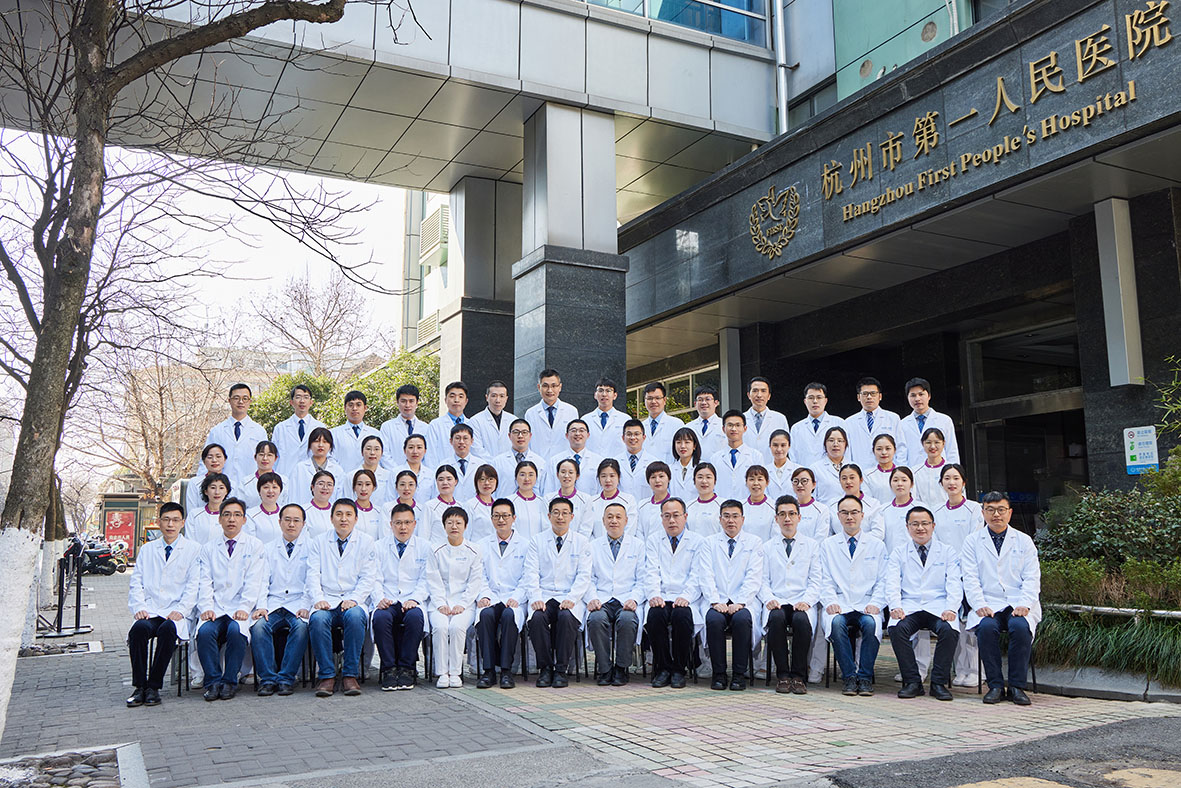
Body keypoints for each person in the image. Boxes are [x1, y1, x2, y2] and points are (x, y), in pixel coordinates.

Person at [962, 492, 1041, 705]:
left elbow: (1032, 577)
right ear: (983, 513)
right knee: (986, 629)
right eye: (990, 510)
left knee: (1020, 628)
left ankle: (1016, 687)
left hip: (1018, 602)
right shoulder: (972, 541)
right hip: (988, 602)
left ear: (1010, 512)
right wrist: (979, 604)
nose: (996, 514)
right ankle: (995, 686)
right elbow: (970, 577)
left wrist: (1025, 604)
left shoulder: (1024, 541)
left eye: (1001, 510)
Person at [126, 502, 200, 708]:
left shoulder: (193, 550)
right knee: (138, 629)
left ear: (182, 523)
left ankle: (153, 687)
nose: (170, 524)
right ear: (159, 522)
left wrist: (182, 610)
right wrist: (139, 607)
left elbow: (194, 585)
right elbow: (136, 582)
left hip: (176, 610)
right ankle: (139, 686)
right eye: (166, 520)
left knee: (168, 630)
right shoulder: (148, 549)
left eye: (175, 520)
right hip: (151, 609)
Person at [886, 505, 961, 701]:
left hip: (939, 605)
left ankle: (938, 683)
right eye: (915, 524)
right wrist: (895, 606)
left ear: (933, 526)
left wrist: (951, 608)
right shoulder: (898, 552)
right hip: (909, 605)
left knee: (949, 630)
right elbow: (892, 582)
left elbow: (954, 582)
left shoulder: (947, 551)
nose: (920, 528)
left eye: (925, 523)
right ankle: (912, 682)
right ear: (907, 527)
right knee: (897, 629)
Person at [195, 498, 266, 701]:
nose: (231, 519)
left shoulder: (254, 545)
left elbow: (254, 580)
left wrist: (245, 607)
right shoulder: (208, 548)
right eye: (226, 515)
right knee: (205, 632)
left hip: (240, 607)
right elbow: (204, 581)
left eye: (236, 515)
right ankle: (212, 682)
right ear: (219, 519)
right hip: (215, 607)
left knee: (236, 631)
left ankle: (229, 682)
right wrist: (207, 607)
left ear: (244, 520)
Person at [306, 499, 378, 697]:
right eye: (338, 514)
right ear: (331, 518)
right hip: (326, 598)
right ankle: (327, 675)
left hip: (353, 598)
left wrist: (354, 599)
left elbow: (368, 576)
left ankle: (350, 674)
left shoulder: (366, 542)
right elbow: (312, 574)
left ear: (356, 518)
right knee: (318, 619)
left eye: (348, 515)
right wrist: (318, 598)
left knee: (354, 617)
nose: (343, 519)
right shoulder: (319, 542)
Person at [818, 495, 888, 696]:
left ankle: (864, 677)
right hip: (840, 602)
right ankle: (849, 676)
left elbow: (883, 580)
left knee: (871, 624)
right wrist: (830, 601)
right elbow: (824, 578)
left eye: (854, 512)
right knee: (836, 623)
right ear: (838, 516)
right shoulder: (828, 545)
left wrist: (876, 603)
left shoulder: (876, 545)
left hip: (867, 602)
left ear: (862, 515)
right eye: (845, 513)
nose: (850, 517)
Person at [644, 498, 713, 689]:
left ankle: (679, 670)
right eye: (667, 516)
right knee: (655, 615)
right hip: (662, 594)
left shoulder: (698, 541)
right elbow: (650, 571)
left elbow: (698, 574)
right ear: (661, 518)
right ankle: (663, 668)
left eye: (676, 515)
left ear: (685, 516)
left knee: (682, 616)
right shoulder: (653, 540)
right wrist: (654, 595)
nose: (672, 520)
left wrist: (687, 596)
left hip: (686, 597)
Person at [524, 497, 593, 688]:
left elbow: (584, 575)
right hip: (544, 594)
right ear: (549, 516)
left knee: (566, 617)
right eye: (556, 512)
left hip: (569, 595)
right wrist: (536, 597)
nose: (560, 517)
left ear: (572, 516)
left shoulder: (582, 542)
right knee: (537, 618)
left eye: (564, 513)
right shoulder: (537, 541)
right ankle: (546, 669)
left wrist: (572, 598)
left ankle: (561, 670)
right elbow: (531, 572)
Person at [249, 503, 311, 697]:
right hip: (273, 603)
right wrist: (261, 606)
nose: (291, 524)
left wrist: (305, 605)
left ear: (303, 524)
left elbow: (312, 580)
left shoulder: (312, 547)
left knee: (300, 627)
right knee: (259, 627)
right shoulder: (267, 548)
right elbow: (261, 580)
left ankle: (286, 678)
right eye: (287, 520)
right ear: (279, 522)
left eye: (296, 520)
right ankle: (267, 679)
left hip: (298, 603)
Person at [760, 495, 820, 694]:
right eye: (782, 514)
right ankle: (783, 676)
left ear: (799, 517)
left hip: (801, 599)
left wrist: (807, 601)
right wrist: (769, 599)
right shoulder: (767, 547)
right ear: (776, 519)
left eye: (792, 514)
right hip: (777, 599)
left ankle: (799, 676)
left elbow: (816, 580)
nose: (787, 518)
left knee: (802, 621)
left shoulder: (811, 545)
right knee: (776, 619)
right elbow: (762, 580)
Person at [933, 463, 986, 687]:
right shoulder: (936, 512)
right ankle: (960, 669)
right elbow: (936, 544)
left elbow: (974, 541)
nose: (951, 482)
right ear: (941, 483)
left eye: (956, 478)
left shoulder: (975, 509)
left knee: (971, 623)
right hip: (947, 575)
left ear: (963, 482)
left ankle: (976, 670)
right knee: (954, 621)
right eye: (947, 478)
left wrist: (960, 566)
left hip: (970, 572)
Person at [703, 500, 764, 691]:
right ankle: (719, 674)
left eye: (735, 516)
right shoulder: (709, 543)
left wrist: (741, 602)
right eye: (727, 516)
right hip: (718, 600)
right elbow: (705, 574)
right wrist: (715, 601)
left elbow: (754, 576)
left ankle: (739, 674)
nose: (731, 520)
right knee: (714, 620)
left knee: (742, 620)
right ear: (720, 519)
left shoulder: (754, 542)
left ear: (743, 519)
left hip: (744, 601)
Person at [585, 503, 646, 686]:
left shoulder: (638, 545)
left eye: (618, 517)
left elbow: (643, 578)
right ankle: (605, 669)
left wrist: (634, 599)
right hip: (602, 598)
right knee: (595, 620)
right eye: (610, 517)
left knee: (627, 620)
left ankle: (621, 668)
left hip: (627, 597)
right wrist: (592, 598)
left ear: (626, 521)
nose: (614, 521)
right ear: (603, 521)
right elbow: (588, 577)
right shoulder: (593, 546)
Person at [427, 506, 486, 688]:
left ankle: (455, 672)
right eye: (450, 523)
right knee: (440, 627)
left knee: (457, 627)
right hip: (439, 603)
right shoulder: (435, 550)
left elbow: (475, 581)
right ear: (444, 525)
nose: (454, 526)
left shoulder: (474, 550)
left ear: (465, 526)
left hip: (464, 604)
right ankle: (442, 673)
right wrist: (440, 603)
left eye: (458, 523)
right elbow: (433, 579)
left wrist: (463, 603)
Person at [372, 503, 429, 691]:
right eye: (398, 523)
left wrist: (415, 599)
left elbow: (426, 579)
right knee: (380, 618)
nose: (403, 527)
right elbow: (374, 577)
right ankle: (389, 669)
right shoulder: (378, 547)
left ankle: (407, 668)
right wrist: (380, 598)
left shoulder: (424, 547)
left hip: (412, 598)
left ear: (414, 524)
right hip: (387, 599)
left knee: (415, 617)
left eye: (407, 522)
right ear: (391, 524)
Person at [475, 499, 529, 689]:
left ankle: (506, 671)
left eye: (505, 515)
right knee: (485, 615)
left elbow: (528, 576)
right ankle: (489, 671)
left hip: (514, 597)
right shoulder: (481, 545)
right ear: (491, 519)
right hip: (491, 596)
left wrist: (517, 597)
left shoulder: (525, 545)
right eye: (497, 516)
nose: (501, 520)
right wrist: (484, 595)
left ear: (514, 518)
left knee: (508, 616)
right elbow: (478, 575)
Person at [201, 384, 268, 484]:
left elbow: (266, 462)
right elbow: (205, 460)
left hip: (251, 486)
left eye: (245, 398)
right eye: (236, 398)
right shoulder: (217, 431)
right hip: (221, 486)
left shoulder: (259, 431)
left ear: (250, 401)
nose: (241, 402)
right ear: (229, 400)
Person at [898, 377, 961, 467]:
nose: (917, 399)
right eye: (913, 395)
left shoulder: (944, 420)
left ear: (929, 396)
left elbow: (952, 451)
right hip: (913, 471)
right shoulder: (902, 424)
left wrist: (953, 472)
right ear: (907, 398)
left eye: (921, 394)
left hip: (940, 471)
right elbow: (901, 454)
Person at [844, 377, 902, 468]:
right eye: (865, 394)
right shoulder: (849, 422)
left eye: (873, 393)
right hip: (860, 471)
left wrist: (898, 469)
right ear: (858, 397)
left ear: (880, 396)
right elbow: (847, 452)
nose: (869, 397)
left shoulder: (893, 418)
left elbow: (901, 447)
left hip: (888, 471)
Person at [272, 384, 326, 477]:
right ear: (291, 402)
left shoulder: (320, 427)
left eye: (306, 397)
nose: (302, 401)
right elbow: (273, 457)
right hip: (285, 477)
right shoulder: (280, 428)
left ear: (311, 402)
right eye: (298, 397)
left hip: (312, 477)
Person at [525, 369, 579, 461]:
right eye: (545, 386)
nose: (550, 390)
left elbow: (576, 440)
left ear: (560, 387)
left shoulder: (571, 411)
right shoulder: (530, 413)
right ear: (539, 387)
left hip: (565, 463)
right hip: (538, 463)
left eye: (554, 386)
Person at [544, 419, 604, 497]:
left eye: (581, 430)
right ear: (567, 435)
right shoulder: (555, 460)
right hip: (561, 503)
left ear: (588, 435)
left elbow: (601, 489)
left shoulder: (598, 461)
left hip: (589, 502)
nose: (577, 434)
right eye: (573, 430)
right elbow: (549, 488)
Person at [709, 410, 761, 500]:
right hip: (722, 505)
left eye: (738, 425)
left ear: (745, 428)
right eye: (730, 425)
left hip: (748, 504)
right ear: (723, 429)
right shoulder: (715, 458)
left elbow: (761, 485)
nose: (734, 429)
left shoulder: (755, 456)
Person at [790, 383, 844, 467]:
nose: (815, 401)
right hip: (804, 472)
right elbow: (793, 456)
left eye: (819, 397)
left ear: (825, 401)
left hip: (831, 472)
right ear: (805, 401)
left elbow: (846, 452)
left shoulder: (839, 423)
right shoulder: (796, 428)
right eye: (811, 398)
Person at [289, 427, 346, 507]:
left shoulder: (337, 470)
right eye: (316, 441)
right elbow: (292, 495)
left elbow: (339, 497)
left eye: (325, 442)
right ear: (310, 445)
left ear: (330, 446)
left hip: (329, 512)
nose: (320, 445)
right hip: (303, 512)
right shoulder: (300, 468)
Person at [492, 419, 549, 498]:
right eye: (516, 432)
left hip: (532, 504)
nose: (520, 436)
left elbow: (543, 490)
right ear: (509, 435)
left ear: (530, 435)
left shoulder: (540, 462)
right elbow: (492, 491)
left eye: (524, 432)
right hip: (504, 503)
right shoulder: (497, 462)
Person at [330, 390, 381, 472]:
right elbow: (330, 459)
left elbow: (381, 459)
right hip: (341, 477)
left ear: (365, 408)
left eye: (358, 405)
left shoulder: (376, 433)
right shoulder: (333, 433)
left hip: (368, 478)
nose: (354, 408)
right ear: (345, 408)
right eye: (350, 405)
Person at [379, 384, 428, 469]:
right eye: (403, 401)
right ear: (397, 402)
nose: (407, 405)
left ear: (417, 403)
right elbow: (384, 454)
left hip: (420, 474)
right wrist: (399, 472)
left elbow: (428, 456)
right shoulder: (387, 427)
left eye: (411, 401)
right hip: (394, 473)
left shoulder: (426, 428)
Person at [743, 377, 790, 465]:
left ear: (769, 396)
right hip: (746, 467)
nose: (759, 395)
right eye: (755, 391)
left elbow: (786, 447)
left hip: (772, 467)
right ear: (749, 395)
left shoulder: (780, 419)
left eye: (763, 391)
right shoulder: (741, 420)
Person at [582, 377, 630, 459]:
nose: (604, 394)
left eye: (608, 391)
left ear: (615, 395)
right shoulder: (585, 420)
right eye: (600, 390)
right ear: (595, 395)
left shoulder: (625, 419)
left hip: (617, 463)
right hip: (591, 463)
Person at [829, 464, 882, 537]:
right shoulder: (832, 504)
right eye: (844, 478)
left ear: (861, 480)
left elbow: (878, 533)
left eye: (852, 478)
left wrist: (855, 540)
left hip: (867, 544)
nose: (848, 481)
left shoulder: (873, 504)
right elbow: (828, 533)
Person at [426, 381, 471, 467]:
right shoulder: (435, 425)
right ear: (445, 400)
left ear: (466, 401)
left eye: (460, 396)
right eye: (452, 396)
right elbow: (430, 456)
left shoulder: (472, 424)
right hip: (443, 472)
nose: (456, 400)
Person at [588, 458, 637, 538]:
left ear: (619, 477)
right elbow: (588, 530)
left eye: (612, 476)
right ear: (598, 478)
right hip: (596, 545)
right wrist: (597, 544)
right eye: (603, 476)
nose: (608, 480)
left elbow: (630, 529)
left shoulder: (628, 500)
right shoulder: (591, 501)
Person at [469, 379, 516, 460]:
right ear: (487, 397)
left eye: (502, 396)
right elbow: (476, 450)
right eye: (494, 396)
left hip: (509, 465)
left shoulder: (513, 420)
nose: (498, 400)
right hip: (485, 466)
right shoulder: (475, 421)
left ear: (506, 399)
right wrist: (495, 464)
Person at [238, 441, 289, 511]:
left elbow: (286, 505)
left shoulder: (284, 481)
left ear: (275, 458)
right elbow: (240, 507)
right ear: (255, 457)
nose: (265, 458)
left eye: (269, 455)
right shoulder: (245, 482)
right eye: (261, 454)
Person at [616, 419, 661, 499]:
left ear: (644, 437)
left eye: (636, 434)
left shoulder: (654, 462)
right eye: (629, 434)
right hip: (621, 506)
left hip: (646, 505)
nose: (633, 438)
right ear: (623, 438)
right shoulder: (616, 462)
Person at [553, 458, 595, 539]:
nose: (566, 476)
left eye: (571, 472)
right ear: (557, 475)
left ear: (577, 476)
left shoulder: (586, 499)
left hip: (579, 544)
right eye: (563, 472)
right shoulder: (548, 499)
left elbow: (586, 528)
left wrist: (574, 543)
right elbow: (547, 526)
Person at [388, 434, 435, 505]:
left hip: (424, 511)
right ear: (404, 450)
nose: (415, 451)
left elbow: (433, 499)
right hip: (400, 511)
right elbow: (390, 498)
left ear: (425, 451)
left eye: (419, 447)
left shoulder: (431, 474)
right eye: (411, 447)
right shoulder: (395, 472)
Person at [446, 423, 489, 501]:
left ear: (472, 441)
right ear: (451, 441)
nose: (461, 442)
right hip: (451, 506)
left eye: (465, 438)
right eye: (457, 438)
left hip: (476, 506)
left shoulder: (481, 464)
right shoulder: (444, 465)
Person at [810, 426, 852, 506]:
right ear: (825, 444)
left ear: (846, 444)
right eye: (831, 440)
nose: (835, 444)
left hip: (849, 510)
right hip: (825, 511)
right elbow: (812, 497)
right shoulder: (815, 468)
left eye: (840, 441)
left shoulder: (854, 467)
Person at [184, 444, 227, 520]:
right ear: (204, 461)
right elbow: (191, 511)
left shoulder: (232, 484)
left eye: (218, 456)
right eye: (210, 457)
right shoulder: (195, 483)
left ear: (225, 459)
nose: (214, 460)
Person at [684, 384, 726, 460]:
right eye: (700, 400)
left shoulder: (724, 425)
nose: (704, 403)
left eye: (708, 399)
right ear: (695, 404)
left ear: (716, 403)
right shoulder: (688, 427)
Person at [186, 473, 231, 545]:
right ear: (206, 491)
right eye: (213, 488)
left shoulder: (232, 516)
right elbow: (189, 541)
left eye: (221, 488)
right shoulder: (194, 515)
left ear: (226, 491)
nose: (217, 492)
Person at [639, 382, 678, 463]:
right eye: (649, 398)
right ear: (644, 401)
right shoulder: (640, 427)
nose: (653, 401)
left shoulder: (676, 424)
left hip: (668, 469)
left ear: (664, 400)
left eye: (657, 398)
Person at [350, 435, 393, 507]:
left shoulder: (388, 476)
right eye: (368, 449)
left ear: (382, 453)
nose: (372, 452)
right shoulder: (351, 476)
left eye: (376, 449)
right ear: (362, 452)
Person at [790, 467, 830, 543]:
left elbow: (820, 538)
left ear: (814, 484)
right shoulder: (787, 508)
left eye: (804, 481)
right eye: (795, 481)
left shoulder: (822, 510)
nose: (799, 485)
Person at [425, 465, 462, 547]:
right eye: (441, 479)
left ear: (456, 481)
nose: (445, 483)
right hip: (436, 552)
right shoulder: (430, 506)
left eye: (449, 479)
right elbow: (424, 536)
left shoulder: (461, 506)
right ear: (436, 482)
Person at [637, 461, 673, 542]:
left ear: (669, 479)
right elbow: (639, 532)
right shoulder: (642, 505)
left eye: (661, 476)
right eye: (653, 477)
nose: (657, 480)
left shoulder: (675, 504)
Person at [914, 427, 951, 505]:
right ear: (922, 444)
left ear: (943, 443)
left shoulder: (952, 470)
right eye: (928, 442)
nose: (933, 446)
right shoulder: (915, 472)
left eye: (937, 442)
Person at [464, 464, 499, 545]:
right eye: (482, 479)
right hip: (477, 549)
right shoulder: (470, 505)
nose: (487, 483)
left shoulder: (499, 505)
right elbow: (466, 535)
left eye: (491, 479)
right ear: (476, 482)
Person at [510, 461, 545, 540]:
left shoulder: (543, 502)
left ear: (536, 477)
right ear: (516, 477)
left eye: (531, 475)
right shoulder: (509, 502)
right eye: (522, 475)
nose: (527, 479)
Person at [245, 472, 284, 544]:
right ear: (259, 491)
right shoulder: (250, 515)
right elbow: (250, 542)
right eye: (266, 487)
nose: (270, 491)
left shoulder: (286, 513)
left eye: (274, 487)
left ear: (280, 490)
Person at [742, 466, 777, 542]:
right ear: (746, 482)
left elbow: (775, 537)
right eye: (752, 479)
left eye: (760, 479)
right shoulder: (740, 507)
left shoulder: (774, 507)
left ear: (767, 482)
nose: (756, 483)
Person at [862, 434, 900, 503]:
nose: (884, 452)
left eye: (888, 448)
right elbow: (867, 500)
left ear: (894, 450)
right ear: (873, 451)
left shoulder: (903, 473)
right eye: (879, 449)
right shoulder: (867, 475)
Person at [685, 463, 720, 534]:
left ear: (715, 481)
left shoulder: (722, 505)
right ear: (694, 481)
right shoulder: (687, 506)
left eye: (708, 477)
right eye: (700, 477)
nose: (704, 481)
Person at [765, 429, 799, 501]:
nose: (779, 449)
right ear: (770, 446)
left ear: (789, 446)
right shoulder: (764, 471)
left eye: (783, 445)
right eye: (775, 445)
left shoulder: (798, 470)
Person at [668, 427, 702, 501]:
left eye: (687, 442)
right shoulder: (669, 469)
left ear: (694, 446)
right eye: (678, 442)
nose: (682, 446)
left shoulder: (703, 468)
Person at [351, 469, 384, 541]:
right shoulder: (349, 511)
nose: (363, 489)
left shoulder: (379, 512)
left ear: (373, 487)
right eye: (359, 484)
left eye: (368, 484)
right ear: (354, 487)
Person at [304, 470, 336, 538]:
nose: (325, 488)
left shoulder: (337, 510)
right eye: (321, 484)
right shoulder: (303, 511)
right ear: (312, 487)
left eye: (329, 484)